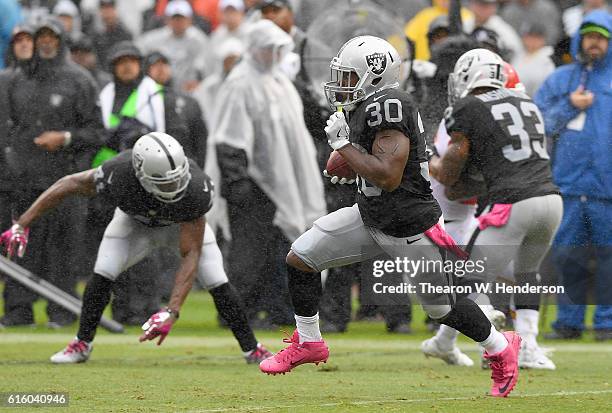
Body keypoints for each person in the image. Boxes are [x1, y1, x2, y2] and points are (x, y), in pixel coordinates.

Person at [259, 36, 521, 398]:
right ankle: (309, 343)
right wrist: (349, 158)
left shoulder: (389, 104)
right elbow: (369, 165)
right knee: (301, 259)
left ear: (374, 75)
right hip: (371, 217)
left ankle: (500, 348)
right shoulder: (364, 105)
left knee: (443, 309)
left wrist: (344, 147)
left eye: (350, 76)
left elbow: (388, 175)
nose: (341, 84)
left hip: (411, 227)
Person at [0, 132, 273, 364]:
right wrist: (22, 223)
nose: (175, 187)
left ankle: (252, 348)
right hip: (134, 224)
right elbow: (67, 184)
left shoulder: (196, 189)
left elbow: (190, 253)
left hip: (179, 225)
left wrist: (171, 310)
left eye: (177, 179)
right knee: (102, 272)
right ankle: (82, 344)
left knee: (216, 279)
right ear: (140, 173)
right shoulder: (118, 172)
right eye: (165, 182)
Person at [429, 49, 562, 369]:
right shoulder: (527, 103)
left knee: (469, 281)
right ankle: (527, 345)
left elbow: (449, 177)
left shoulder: (468, 107)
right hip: (552, 200)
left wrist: (427, 161)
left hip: (513, 205)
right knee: (527, 274)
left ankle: (494, 350)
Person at [214, 19, 326, 328]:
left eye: (277, 49)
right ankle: (239, 313)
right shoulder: (240, 83)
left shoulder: (279, 82)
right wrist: (239, 186)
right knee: (248, 255)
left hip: (282, 185)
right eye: (267, 49)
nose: (272, 55)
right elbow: (228, 139)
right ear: (254, 49)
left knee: (278, 252)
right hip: (252, 185)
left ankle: (276, 308)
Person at [0, 18, 104, 329]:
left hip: (67, 183)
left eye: (51, 38)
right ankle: (19, 312)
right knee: (21, 249)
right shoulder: (17, 81)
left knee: (64, 252)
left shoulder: (79, 80)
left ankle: (62, 312)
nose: (45, 43)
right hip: (25, 183)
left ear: (60, 42)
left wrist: (66, 139)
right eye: (39, 37)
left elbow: (98, 133)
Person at [535, 11, 612, 341]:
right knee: (568, 257)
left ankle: (607, 323)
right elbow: (537, 122)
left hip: (606, 189)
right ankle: (568, 321)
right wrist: (569, 105)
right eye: (589, 35)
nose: (594, 42)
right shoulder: (560, 79)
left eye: (601, 36)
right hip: (566, 185)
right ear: (580, 39)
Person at [137, 0, 211, 93]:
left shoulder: (199, 40)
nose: (178, 22)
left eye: (181, 18)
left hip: (189, 90)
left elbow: (206, 68)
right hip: (160, 88)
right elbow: (140, 52)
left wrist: (199, 82)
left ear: (189, 19)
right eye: (174, 18)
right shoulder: (153, 39)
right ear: (167, 19)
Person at [511, 22, 556, 97]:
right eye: (529, 36)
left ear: (543, 39)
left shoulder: (549, 54)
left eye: (536, 37)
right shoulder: (518, 55)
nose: (532, 40)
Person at [90, 0, 133, 70]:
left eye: (110, 9)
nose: (107, 13)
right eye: (104, 9)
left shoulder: (125, 34)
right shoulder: (95, 35)